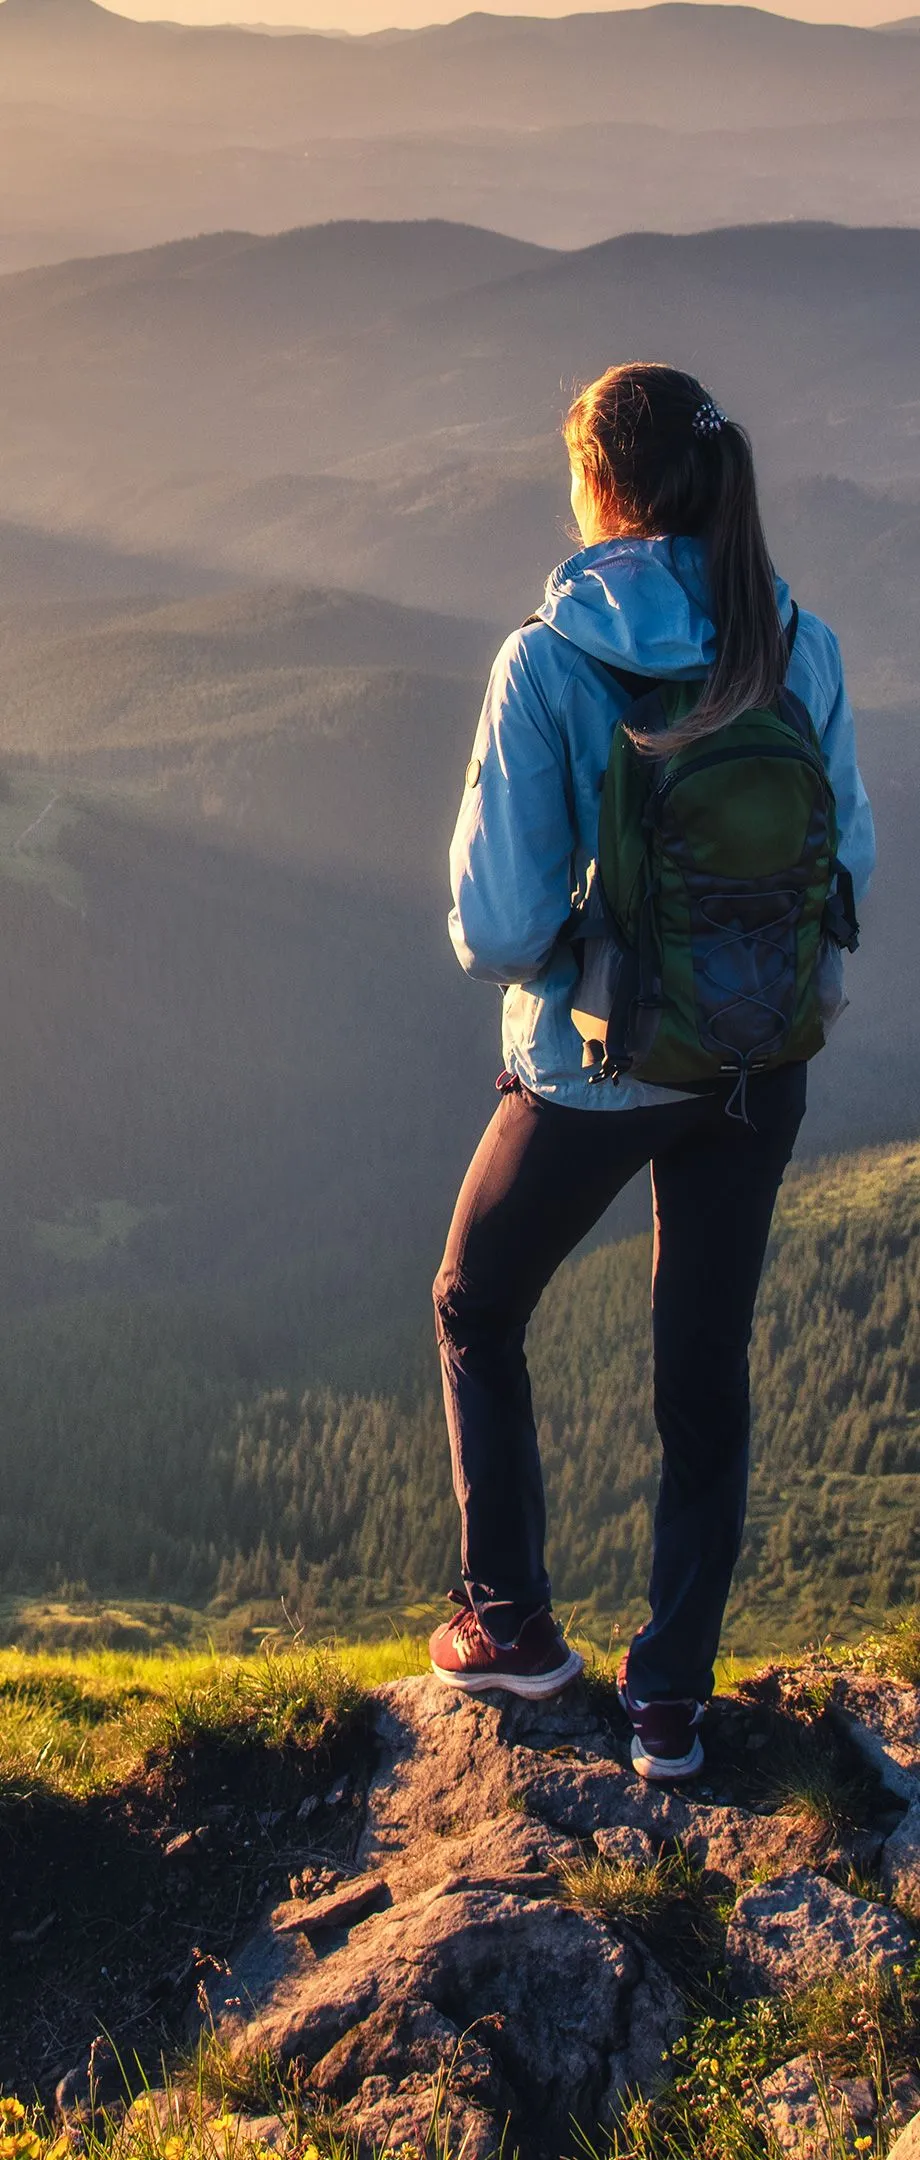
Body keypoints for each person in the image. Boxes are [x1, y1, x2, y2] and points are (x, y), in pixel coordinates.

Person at [427, 362, 876, 1780]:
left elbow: (499, 925)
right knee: (707, 1368)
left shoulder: (550, 660)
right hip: (758, 1059)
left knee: (476, 1304)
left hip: (599, 1063)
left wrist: (579, 944)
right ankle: (670, 1698)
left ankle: (511, 1627)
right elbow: (843, 861)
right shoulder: (796, 639)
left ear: (602, 490)